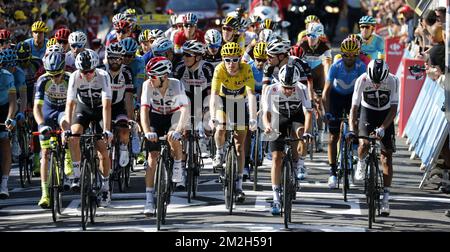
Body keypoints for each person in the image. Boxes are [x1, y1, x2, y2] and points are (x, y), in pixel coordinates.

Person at [348, 59, 398, 216]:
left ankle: (386, 198)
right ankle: (361, 162)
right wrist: (351, 129)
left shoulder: (393, 80)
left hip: (385, 113)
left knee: (386, 157)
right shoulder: (362, 79)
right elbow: (354, 108)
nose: (376, 85)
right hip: (367, 112)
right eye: (374, 82)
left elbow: (394, 108)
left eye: (379, 82)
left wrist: (383, 127)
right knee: (363, 144)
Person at [209, 42, 257, 202]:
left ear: (240, 59)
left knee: (239, 146)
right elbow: (214, 95)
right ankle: (219, 151)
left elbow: (250, 95)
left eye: (235, 60)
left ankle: (239, 185)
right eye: (227, 60)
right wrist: (211, 117)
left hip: (239, 102)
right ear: (223, 59)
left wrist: (252, 118)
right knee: (221, 126)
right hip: (223, 101)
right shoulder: (219, 69)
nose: (231, 64)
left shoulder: (246, 69)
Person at [141, 57, 189, 216]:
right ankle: (149, 199)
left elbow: (184, 110)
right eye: (149, 76)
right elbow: (144, 111)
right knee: (152, 156)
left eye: (152, 76)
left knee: (171, 136)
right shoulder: (147, 85)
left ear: (163, 77)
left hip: (173, 116)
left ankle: (177, 163)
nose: (150, 80)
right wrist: (147, 131)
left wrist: (179, 130)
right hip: (155, 117)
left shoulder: (176, 84)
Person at [65, 49, 113, 207]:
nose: (87, 74)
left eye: (90, 71)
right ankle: (77, 174)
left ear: (96, 67)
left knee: (102, 150)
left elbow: (106, 106)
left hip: (99, 110)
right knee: (73, 135)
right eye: (83, 71)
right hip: (83, 108)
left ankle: (105, 186)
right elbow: (70, 104)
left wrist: (107, 130)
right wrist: (67, 126)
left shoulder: (103, 76)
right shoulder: (74, 76)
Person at [263, 62, 313, 215]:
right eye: (285, 87)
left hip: (297, 116)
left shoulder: (302, 89)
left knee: (301, 133)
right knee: (277, 157)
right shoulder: (272, 89)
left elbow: (308, 113)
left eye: (291, 88)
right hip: (279, 118)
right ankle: (276, 198)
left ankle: (300, 164)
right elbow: (266, 113)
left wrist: (307, 133)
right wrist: (267, 126)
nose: (288, 91)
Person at [323, 38, 366, 189]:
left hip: (352, 97)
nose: (349, 58)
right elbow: (325, 93)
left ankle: (354, 147)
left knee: (355, 125)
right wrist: (327, 112)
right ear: (342, 54)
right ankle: (332, 172)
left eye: (353, 55)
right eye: (346, 55)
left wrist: (361, 113)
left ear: (357, 54)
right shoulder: (336, 66)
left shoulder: (361, 66)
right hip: (336, 97)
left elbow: (364, 91)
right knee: (333, 137)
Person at [33, 52, 71, 208]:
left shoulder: (70, 78)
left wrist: (69, 127)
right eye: (52, 75)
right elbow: (37, 107)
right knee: (45, 153)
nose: (55, 78)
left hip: (64, 109)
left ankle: (68, 155)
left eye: (58, 75)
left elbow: (73, 107)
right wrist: (41, 125)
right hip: (48, 112)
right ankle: (44, 194)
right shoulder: (42, 80)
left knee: (64, 122)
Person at [103, 43, 134, 167]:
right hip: (102, 106)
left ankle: (124, 148)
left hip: (119, 106)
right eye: (112, 58)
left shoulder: (126, 72)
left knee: (124, 129)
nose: (114, 61)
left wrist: (130, 117)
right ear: (107, 57)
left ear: (122, 59)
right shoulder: (101, 70)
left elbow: (129, 96)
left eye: (118, 58)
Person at [0, 54, 17, 199]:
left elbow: (13, 101)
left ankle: (4, 183)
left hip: (4, 107)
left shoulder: (7, 76)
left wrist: (9, 119)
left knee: (4, 140)